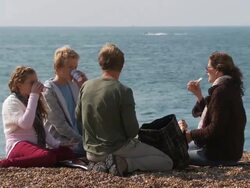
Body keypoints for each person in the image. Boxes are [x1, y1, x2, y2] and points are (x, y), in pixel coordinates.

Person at [76, 43, 173, 176]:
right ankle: (124, 163)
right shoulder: (123, 91)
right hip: (115, 148)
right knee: (166, 161)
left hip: (91, 152)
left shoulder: (86, 86)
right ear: (122, 65)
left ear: (101, 63)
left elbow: (78, 117)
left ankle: (104, 164)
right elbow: (132, 131)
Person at [179, 52, 246, 166]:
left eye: (208, 67)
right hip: (229, 150)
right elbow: (215, 113)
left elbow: (215, 128)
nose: (206, 71)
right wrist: (199, 95)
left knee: (177, 154)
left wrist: (190, 135)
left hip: (220, 154)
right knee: (179, 147)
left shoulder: (221, 91)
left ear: (217, 70)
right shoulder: (229, 86)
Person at [0, 66, 74, 168]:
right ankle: (5, 163)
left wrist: (57, 144)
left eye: (36, 81)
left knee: (68, 152)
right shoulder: (11, 102)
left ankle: (41, 159)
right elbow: (26, 124)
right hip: (17, 145)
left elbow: (41, 127)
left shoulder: (30, 100)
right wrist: (34, 95)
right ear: (19, 85)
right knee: (48, 157)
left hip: (34, 146)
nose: (36, 85)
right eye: (32, 83)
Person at [43, 46, 87, 157]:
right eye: (70, 67)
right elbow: (59, 124)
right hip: (60, 140)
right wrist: (83, 140)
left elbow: (86, 113)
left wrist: (86, 87)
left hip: (77, 137)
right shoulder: (48, 90)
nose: (74, 71)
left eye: (76, 67)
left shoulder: (73, 85)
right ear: (58, 68)